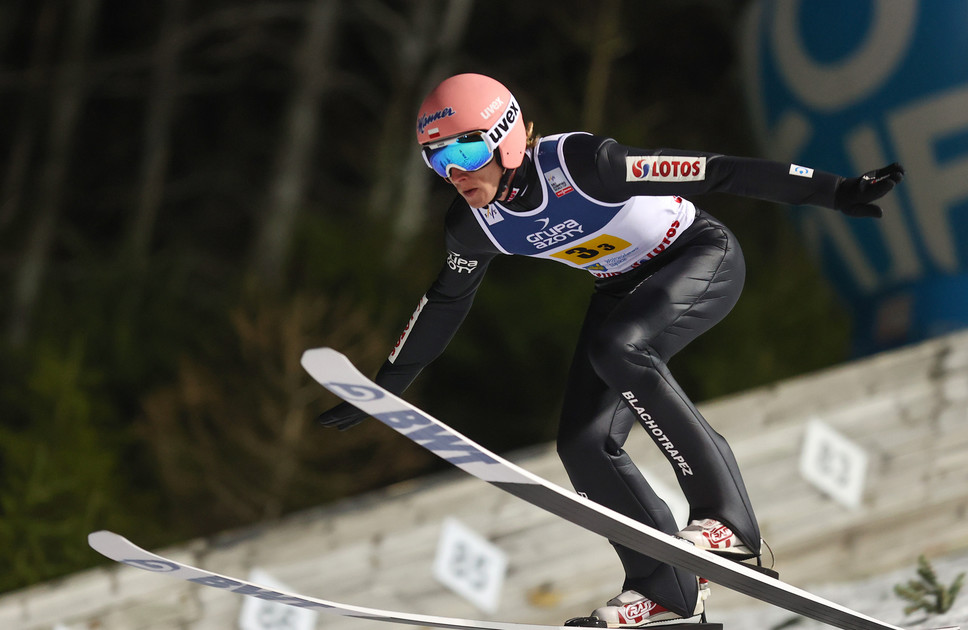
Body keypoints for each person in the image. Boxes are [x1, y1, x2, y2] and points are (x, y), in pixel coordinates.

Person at [316, 73, 904, 627]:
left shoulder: (584, 165)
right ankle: (665, 589)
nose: (455, 173)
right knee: (582, 442)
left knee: (617, 347)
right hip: (622, 287)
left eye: (465, 153)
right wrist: (386, 387)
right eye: (437, 160)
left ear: (507, 139)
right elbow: (445, 301)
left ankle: (726, 520)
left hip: (699, 258)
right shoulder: (473, 225)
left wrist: (835, 190)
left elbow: (717, 171)